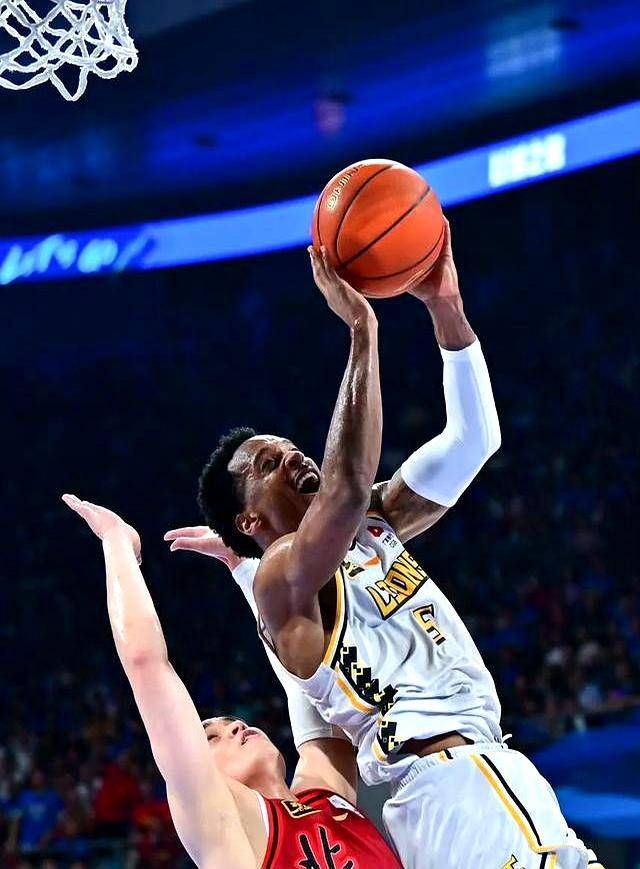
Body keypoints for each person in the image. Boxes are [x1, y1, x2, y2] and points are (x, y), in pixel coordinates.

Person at [168, 223, 602, 868]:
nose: (294, 457)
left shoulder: (372, 519)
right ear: (249, 519)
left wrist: (446, 307)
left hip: (464, 785)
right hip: (452, 783)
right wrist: (361, 329)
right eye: (268, 464)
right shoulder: (281, 577)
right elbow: (342, 491)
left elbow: (474, 440)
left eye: (290, 448)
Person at [62, 494, 402, 869]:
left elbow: (305, 672)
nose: (235, 726)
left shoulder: (327, 792)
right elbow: (147, 664)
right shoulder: (225, 829)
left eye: (229, 723)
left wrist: (245, 566)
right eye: (211, 737)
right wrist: (116, 541)